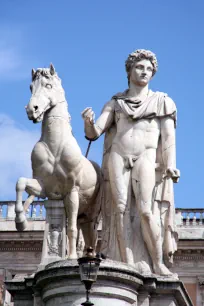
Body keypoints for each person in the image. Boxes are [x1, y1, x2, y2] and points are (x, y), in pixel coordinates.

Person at [81, 49, 180, 276]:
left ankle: (157, 263)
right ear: (130, 70)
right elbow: (95, 132)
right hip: (118, 154)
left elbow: (168, 138)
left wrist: (170, 164)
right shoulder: (116, 102)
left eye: (149, 69)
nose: (144, 72)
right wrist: (88, 122)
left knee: (146, 210)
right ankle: (125, 262)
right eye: (139, 67)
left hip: (146, 156)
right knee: (119, 209)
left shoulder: (162, 101)